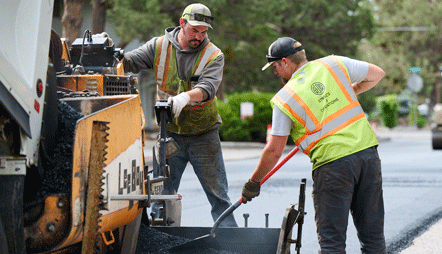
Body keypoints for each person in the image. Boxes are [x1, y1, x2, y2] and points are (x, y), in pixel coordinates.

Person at [241, 37, 387, 253]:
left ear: (284, 62)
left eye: (274, 67)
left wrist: (253, 182)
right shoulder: (333, 64)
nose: (275, 73)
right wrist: (349, 91)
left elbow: (273, 151)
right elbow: (377, 74)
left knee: (332, 243)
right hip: (368, 157)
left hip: (333, 167)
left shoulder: (285, 98)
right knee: (373, 238)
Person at [122, 3, 237, 227]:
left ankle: (230, 244)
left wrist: (185, 97)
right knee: (160, 197)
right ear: (182, 24)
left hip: (204, 135)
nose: (199, 36)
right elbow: (129, 61)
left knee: (219, 197)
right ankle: (159, 242)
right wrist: (110, 54)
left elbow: (207, 88)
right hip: (170, 135)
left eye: (203, 32)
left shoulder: (213, 55)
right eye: (194, 30)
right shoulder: (159, 46)